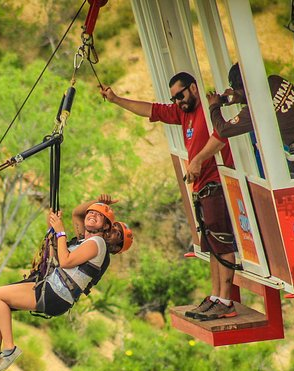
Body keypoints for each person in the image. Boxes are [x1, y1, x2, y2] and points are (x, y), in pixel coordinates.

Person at [0, 196, 133, 371]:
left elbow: (65, 261)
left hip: (55, 292)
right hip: (49, 286)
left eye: (116, 234)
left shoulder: (98, 244)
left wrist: (61, 232)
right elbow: (78, 213)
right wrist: (98, 205)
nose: (112, 233)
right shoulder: (84, 241)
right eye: (115, 228)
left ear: (113, 243)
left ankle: (4, 349)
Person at [101, 73, 238, 321]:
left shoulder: (208, 111)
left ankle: (226, 300)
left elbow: (222, 135)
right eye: (174, 98)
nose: (178, 102)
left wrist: (197, 159)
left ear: (193, 88)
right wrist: (116, 99)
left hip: (217, 182)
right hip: (202, 187)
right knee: (212, 245)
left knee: (222, 241)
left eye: (181, 95)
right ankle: (217, 296)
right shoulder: (183, 113)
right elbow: (150, 110)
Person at [207, 63, 294, 178]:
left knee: (290, 196)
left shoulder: (255, 108)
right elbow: (269, 101)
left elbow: (223, 130)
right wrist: (242, 97)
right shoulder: (275, 80)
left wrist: (214, 106)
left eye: (236, 89)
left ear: (242, 88)